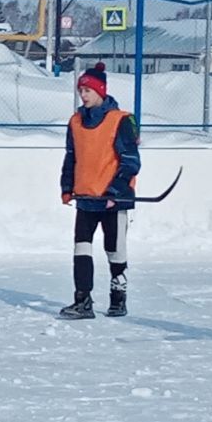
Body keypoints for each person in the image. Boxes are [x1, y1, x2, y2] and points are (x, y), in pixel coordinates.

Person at [58, 62, 140, 319]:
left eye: (88, 91)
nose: (83, 95)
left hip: (112, 201)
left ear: (100, 91)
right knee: (81, 248)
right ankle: (82, 300)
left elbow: (131, 161)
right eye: (80, 90)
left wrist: (116, 192)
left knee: (115, 250)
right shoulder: (75, 122)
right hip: (85, 199)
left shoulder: (121, 121)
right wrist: (67, 186)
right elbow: (71, 157)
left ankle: (118, 297)